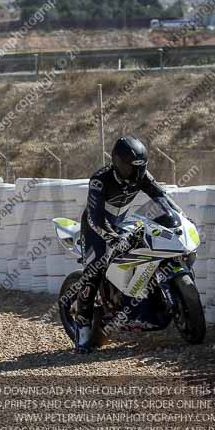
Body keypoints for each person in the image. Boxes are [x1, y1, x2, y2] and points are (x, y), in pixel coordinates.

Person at [73, 136, 172, 354]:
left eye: (141, 168)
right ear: (117, 163)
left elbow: (162, 197)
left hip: (120, 224)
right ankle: (82, 326)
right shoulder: (100, 180)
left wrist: (178, 216)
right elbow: (96, 216)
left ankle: (141, 304)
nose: (136, 174)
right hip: (94, 227)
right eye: (131, 169)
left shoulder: (142, 176)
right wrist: (110, 237)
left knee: (145, 247)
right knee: (95, 268)